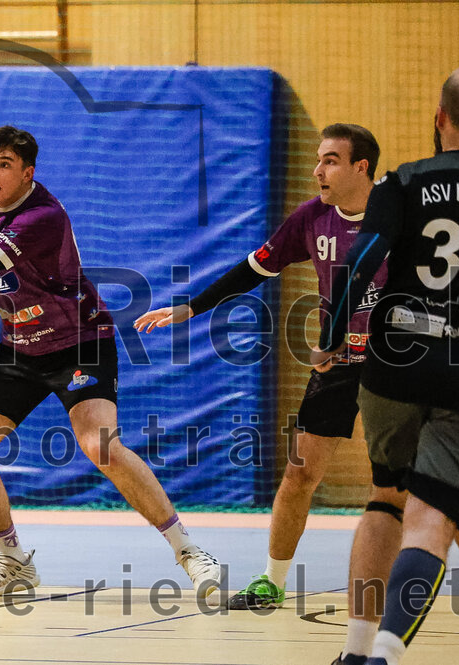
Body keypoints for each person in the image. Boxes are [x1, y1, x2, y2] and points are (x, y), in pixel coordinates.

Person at [0, 125, 222, 598]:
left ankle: (189, 551)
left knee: (100, 446)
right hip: (20, 346)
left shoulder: (41, 217)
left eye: (4, 165)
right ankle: (13, 561)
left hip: (79, 341)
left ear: (28, 172)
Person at [135, 124, 397, 611]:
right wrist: (190, 309)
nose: (318, 170)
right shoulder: (311, 219)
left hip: (398, 364)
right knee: (299, 474)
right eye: (319, 159)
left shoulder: (400, 214)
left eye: (331, 160)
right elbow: (253, 269)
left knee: (411, 487)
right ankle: (272, 583)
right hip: (336, 362)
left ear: (362, 167)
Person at [315, 67, 459, 665]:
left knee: (386, 497)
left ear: (439, 120)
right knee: (436, 514)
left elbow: (362, 262)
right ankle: (384, 650)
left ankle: (356, 652)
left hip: (394, 362)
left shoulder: (403, 180)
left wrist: (330, 340)